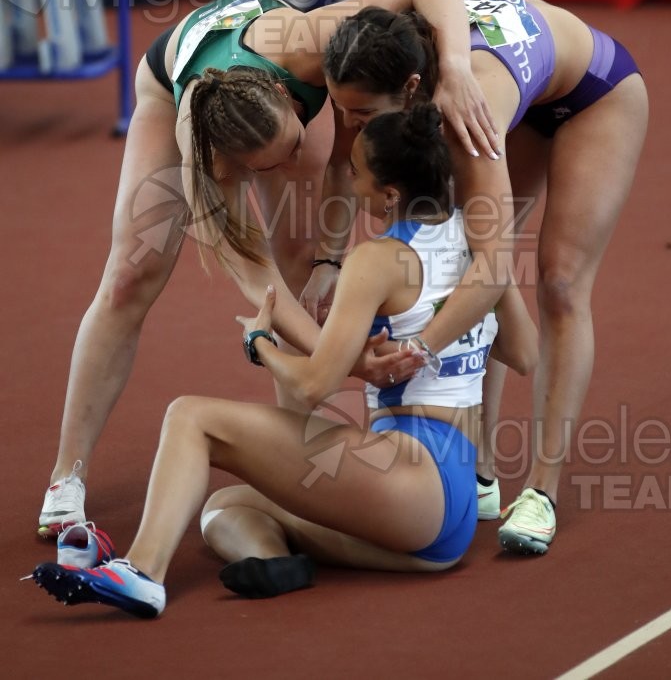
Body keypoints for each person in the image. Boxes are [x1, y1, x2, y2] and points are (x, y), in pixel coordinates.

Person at [37, 0, 502, 538]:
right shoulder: (204, 163)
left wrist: (454, 68)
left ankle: (296, 466)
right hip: (171, 85)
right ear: (232, 167)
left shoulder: (309, 42)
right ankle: (67, 475)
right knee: (132, 278)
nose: (284, 173)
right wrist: (351, 360)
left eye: (294, 146)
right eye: (266, 169)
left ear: (288, 95)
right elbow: (263, 293)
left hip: (256, 59)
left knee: (306, 265)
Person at [29, 104, 538, 616]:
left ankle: (142, 574)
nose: (348, 179)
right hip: (448, 525)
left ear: (390, 194)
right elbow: (524, 352)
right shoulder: (477, 245)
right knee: (225, 507)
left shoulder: (376, 260)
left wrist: (261, 343)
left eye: (356, 172)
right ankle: (274, 560)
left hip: (410, 482)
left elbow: (315, 387)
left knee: (191, 417)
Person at [321, 0, 648, 554]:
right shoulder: (373, 46)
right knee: (461, 250)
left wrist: (418, 349)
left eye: (363, 114)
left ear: (411, 90)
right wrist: (326, 265)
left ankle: (542, 491)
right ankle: (482, 468)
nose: (349, 125)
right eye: (340, 109)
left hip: (594, 92)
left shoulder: (467, 115)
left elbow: (494, 271)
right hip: (516, 87)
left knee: (559, 281)